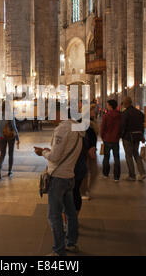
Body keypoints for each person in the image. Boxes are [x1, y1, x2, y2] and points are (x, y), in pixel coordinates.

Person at [34, 114, 84, 256]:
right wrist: (51, 152)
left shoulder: (62, 129)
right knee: (70, 213)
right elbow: (66, 152)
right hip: (69, 175)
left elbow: (55, 157)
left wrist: (42, 152)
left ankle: (59, 250)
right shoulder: (78, 129)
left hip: (58, 178)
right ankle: (72, 243)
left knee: (54, 215)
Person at [120, 97, 146, 181]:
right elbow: (142, 126)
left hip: (128, 137)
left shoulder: (125, 113)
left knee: (128, 156)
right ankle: (142, 173)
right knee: (136, 154)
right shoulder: (139, 113)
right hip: (137, 137)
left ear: (125, 104)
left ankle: (132, 175)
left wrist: (121, 135)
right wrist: (142, 136)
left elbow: (123, 126)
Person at [0, 102, 20, 179]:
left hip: (2, 136)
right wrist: (17, 138)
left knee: (2, 154)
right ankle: (9, 171)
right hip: (10, 136)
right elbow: (14, 127)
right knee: (11, 154)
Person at [100, 99, 122, 182]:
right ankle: (116, 177)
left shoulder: (106, 115)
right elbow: (121, 127)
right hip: (116, 139)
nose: (107, 106)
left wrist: (102, 136)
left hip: (107, 139)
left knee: (106, 157)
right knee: (116, 158)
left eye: (108, 105)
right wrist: (119, 135)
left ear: (111, 106)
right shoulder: (120, 115)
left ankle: (105, 174)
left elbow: (103, 128)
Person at [81, 106, 99, 200]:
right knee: (85, 171)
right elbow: (84, 137)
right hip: (86, 150)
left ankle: (87, 189)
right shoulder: (84, 122)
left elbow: (93, 137)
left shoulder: (93, 122)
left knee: (94, 171)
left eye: (94, 110)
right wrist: (89, 148)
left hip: (92, 149)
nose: (94, 112)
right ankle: (83, 191)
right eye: (92, 110)